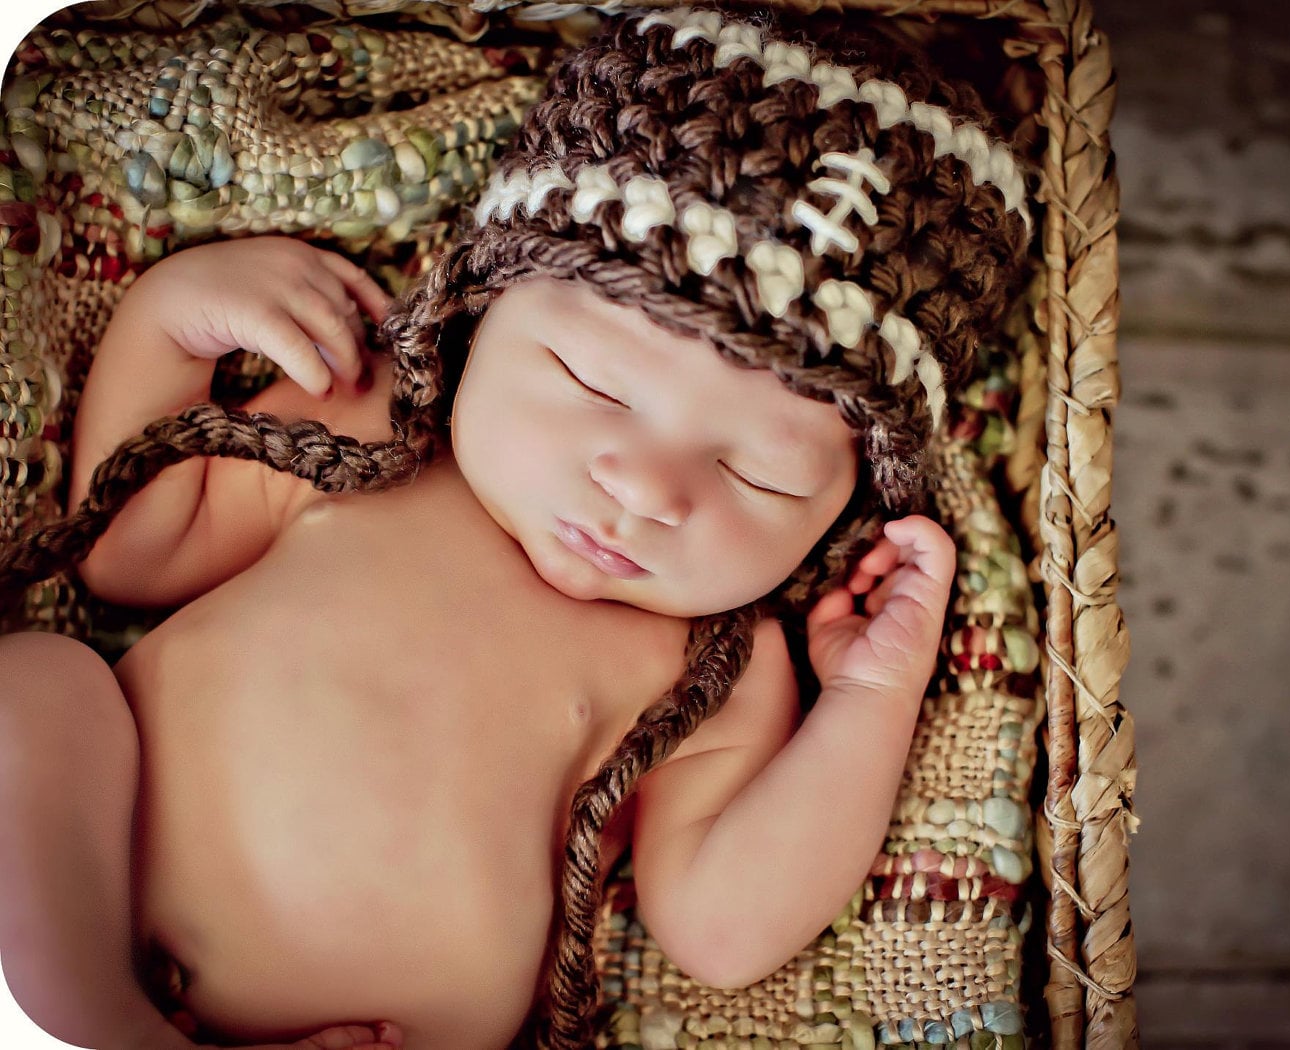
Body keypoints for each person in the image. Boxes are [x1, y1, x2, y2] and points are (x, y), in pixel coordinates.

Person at [0, 6, 1031, 1050]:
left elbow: (720, 930)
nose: (647, 489)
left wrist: (869, 696)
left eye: (756, 475)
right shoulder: (372, 436)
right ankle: (89, 1013)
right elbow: (132, 552)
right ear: (477, 306)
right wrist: (174, 320)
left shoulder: (718, 662)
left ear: (848, 507)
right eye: (589, 381)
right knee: (30, 689)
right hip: (88, 905)